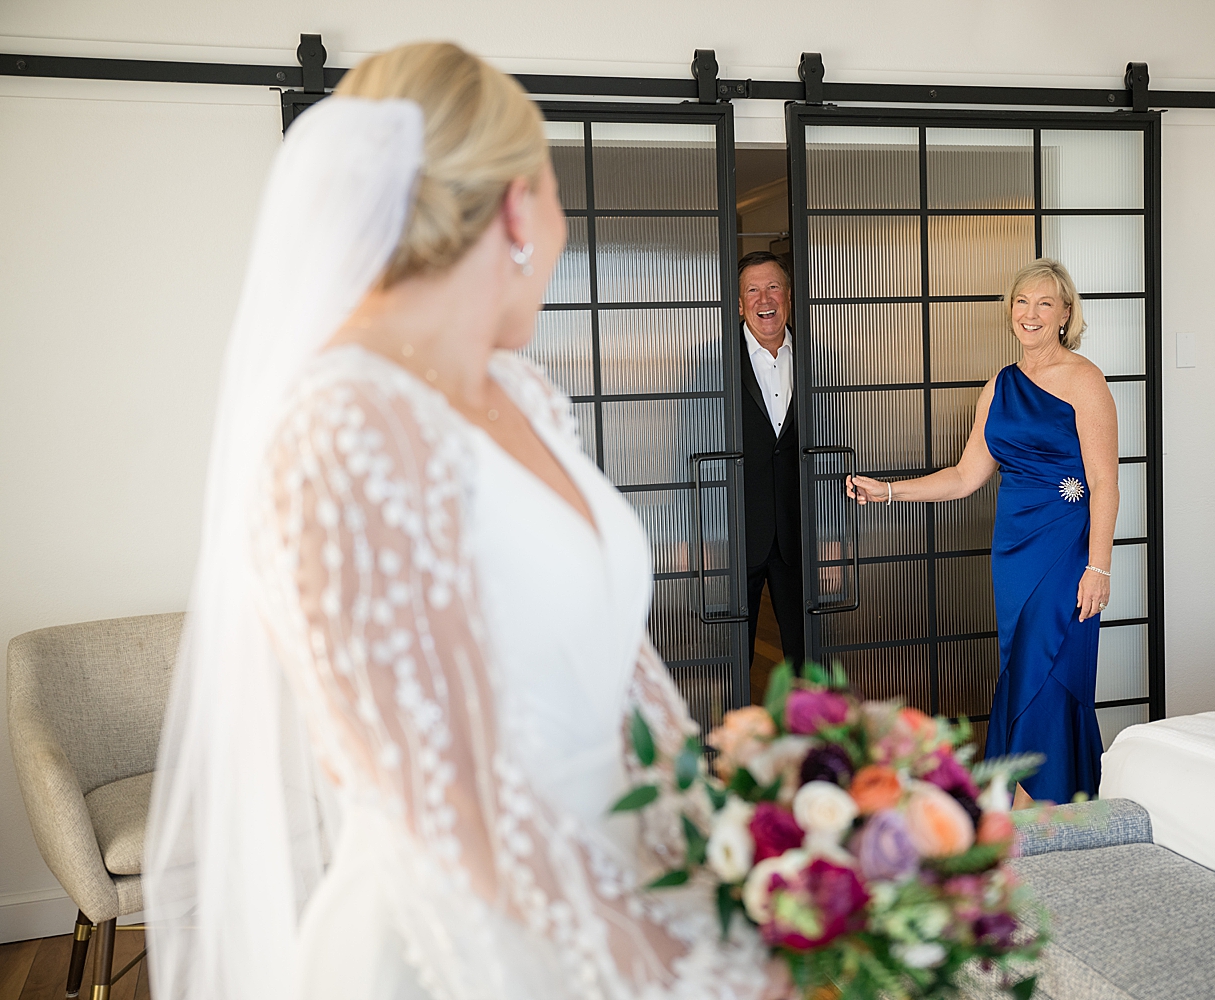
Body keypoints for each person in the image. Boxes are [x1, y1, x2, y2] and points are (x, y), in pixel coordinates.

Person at [143, 43, 794, 1000]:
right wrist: (662, 966)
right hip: (476, 934)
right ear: (519, 206)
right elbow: (432, 790)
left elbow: (626, 676)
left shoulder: (525, 395)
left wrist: (717, 849)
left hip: (640, 886)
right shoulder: (338, 424)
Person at [845, 259, 1118, 804]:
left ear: (1066, 313)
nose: (1032, 313)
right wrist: (892, 491)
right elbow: (966, 476)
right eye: (1022, 302)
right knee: (1020, 670)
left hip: (1066, 551)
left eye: (1045, 303)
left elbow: (1106, 484)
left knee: (1054, 671)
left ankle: (1049, 806)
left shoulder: (1085, 379)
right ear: (1010, 311)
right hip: (1014, 551)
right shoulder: (1000, 385)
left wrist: (1099, 566)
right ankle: (1024, 808)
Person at [738, 251, 804, 667]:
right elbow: (686, 450)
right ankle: (729, 734)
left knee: (808, 658)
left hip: (801, 532)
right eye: (753, 290)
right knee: (733, 657)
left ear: (789, 295)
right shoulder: (714, 362)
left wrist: (832, 535)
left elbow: (832, 451)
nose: (765, 299)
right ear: (741, 302)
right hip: (736, 532)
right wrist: (696, 536)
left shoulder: (819, 358)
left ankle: (814, 735)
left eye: (773, 286)